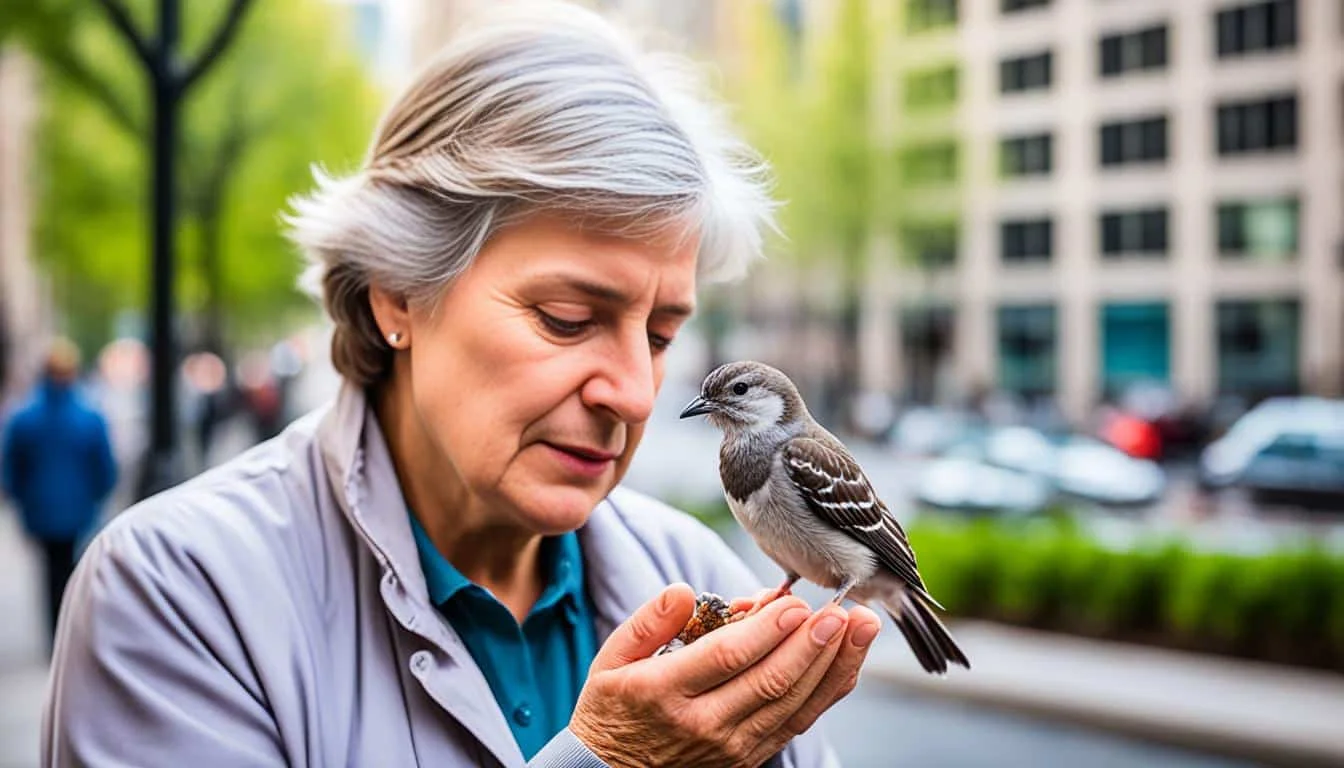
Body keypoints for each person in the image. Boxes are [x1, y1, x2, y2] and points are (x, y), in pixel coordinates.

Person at [43, 4, 882, 766]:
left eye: (662, 335)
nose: (633, 393)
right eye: (565, 318)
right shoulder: (176, 595)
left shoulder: (705, 570)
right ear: (397, 295)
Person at [1, 337, 117, 645]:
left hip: (40, 511)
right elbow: (105, 468)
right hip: (78, 510)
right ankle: (68, 630)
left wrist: (19, 498)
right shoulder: (90, 417)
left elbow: (11, 467)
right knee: (70, 569)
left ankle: (56, 632)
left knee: (50, 571)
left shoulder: (23, 417)